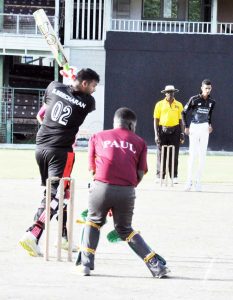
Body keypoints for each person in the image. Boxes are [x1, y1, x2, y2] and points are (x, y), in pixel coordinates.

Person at [75, 107, 170, 277]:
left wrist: (106, 190)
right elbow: (140, 173)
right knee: (124, 229)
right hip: (127, 190)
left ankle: (85, 265)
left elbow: (92, 168)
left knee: (93, 221)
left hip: (101, 187)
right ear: (131, 125)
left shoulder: (98, 136)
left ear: (115, 122)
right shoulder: (139, 142)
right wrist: (123, 189)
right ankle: (156, 266)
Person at [19, 68, 100, 256]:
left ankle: (62, 238)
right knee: (57, 195)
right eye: (93, 85)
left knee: (62, 194)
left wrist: (70, 81)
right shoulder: (88, 102)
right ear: (85, 83)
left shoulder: (53, 86)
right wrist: (72, 83)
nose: (94, 90)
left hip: (40, 148)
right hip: (61, 151)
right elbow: (76, 97)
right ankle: (33, 232)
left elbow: (46, 108)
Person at [182, 79, 216, 192]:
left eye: (209, 88)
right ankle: (189, 182)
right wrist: (186, 126)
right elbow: (183, 112)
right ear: (201, 88)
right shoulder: (194, 99)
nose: (207, 90)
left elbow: (209, 114)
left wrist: (210, 124)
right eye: (206, 88)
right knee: (192, 154)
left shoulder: (212, 101)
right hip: (194, 127)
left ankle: (198, 182)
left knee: (202, 155)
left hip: (205, 128)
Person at [153, 85, 184, 184]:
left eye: (172, 92)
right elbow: (156, 120)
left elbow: (181, 120)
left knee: (174, 154)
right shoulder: (159, 104)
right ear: (165, 93)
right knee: (161, 153)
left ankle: (174, 176)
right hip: (162, 130)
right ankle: (160, 176)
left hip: (175, 130)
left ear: (174, 93)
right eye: (168, 92)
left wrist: (182, 133)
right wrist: (156, 134)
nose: (170, 94)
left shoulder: (179, 104)